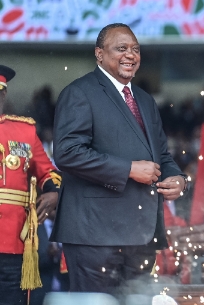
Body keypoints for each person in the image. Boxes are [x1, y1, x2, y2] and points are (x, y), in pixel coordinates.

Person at [50, 23, 187, 296]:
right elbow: (67, 153)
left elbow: (161, 155)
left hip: (140, 234)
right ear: (99, 54)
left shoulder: (145, 101)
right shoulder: (80, 93)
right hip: (95, 234)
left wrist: (177, 178)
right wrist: (128, 169)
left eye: (135, 49)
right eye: (121, 48)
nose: (130, 55)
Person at [0, 65, 62, 305]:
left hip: (15, 241)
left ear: (3, 95)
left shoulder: (24, 132)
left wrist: (54, 192)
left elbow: (49, 172)